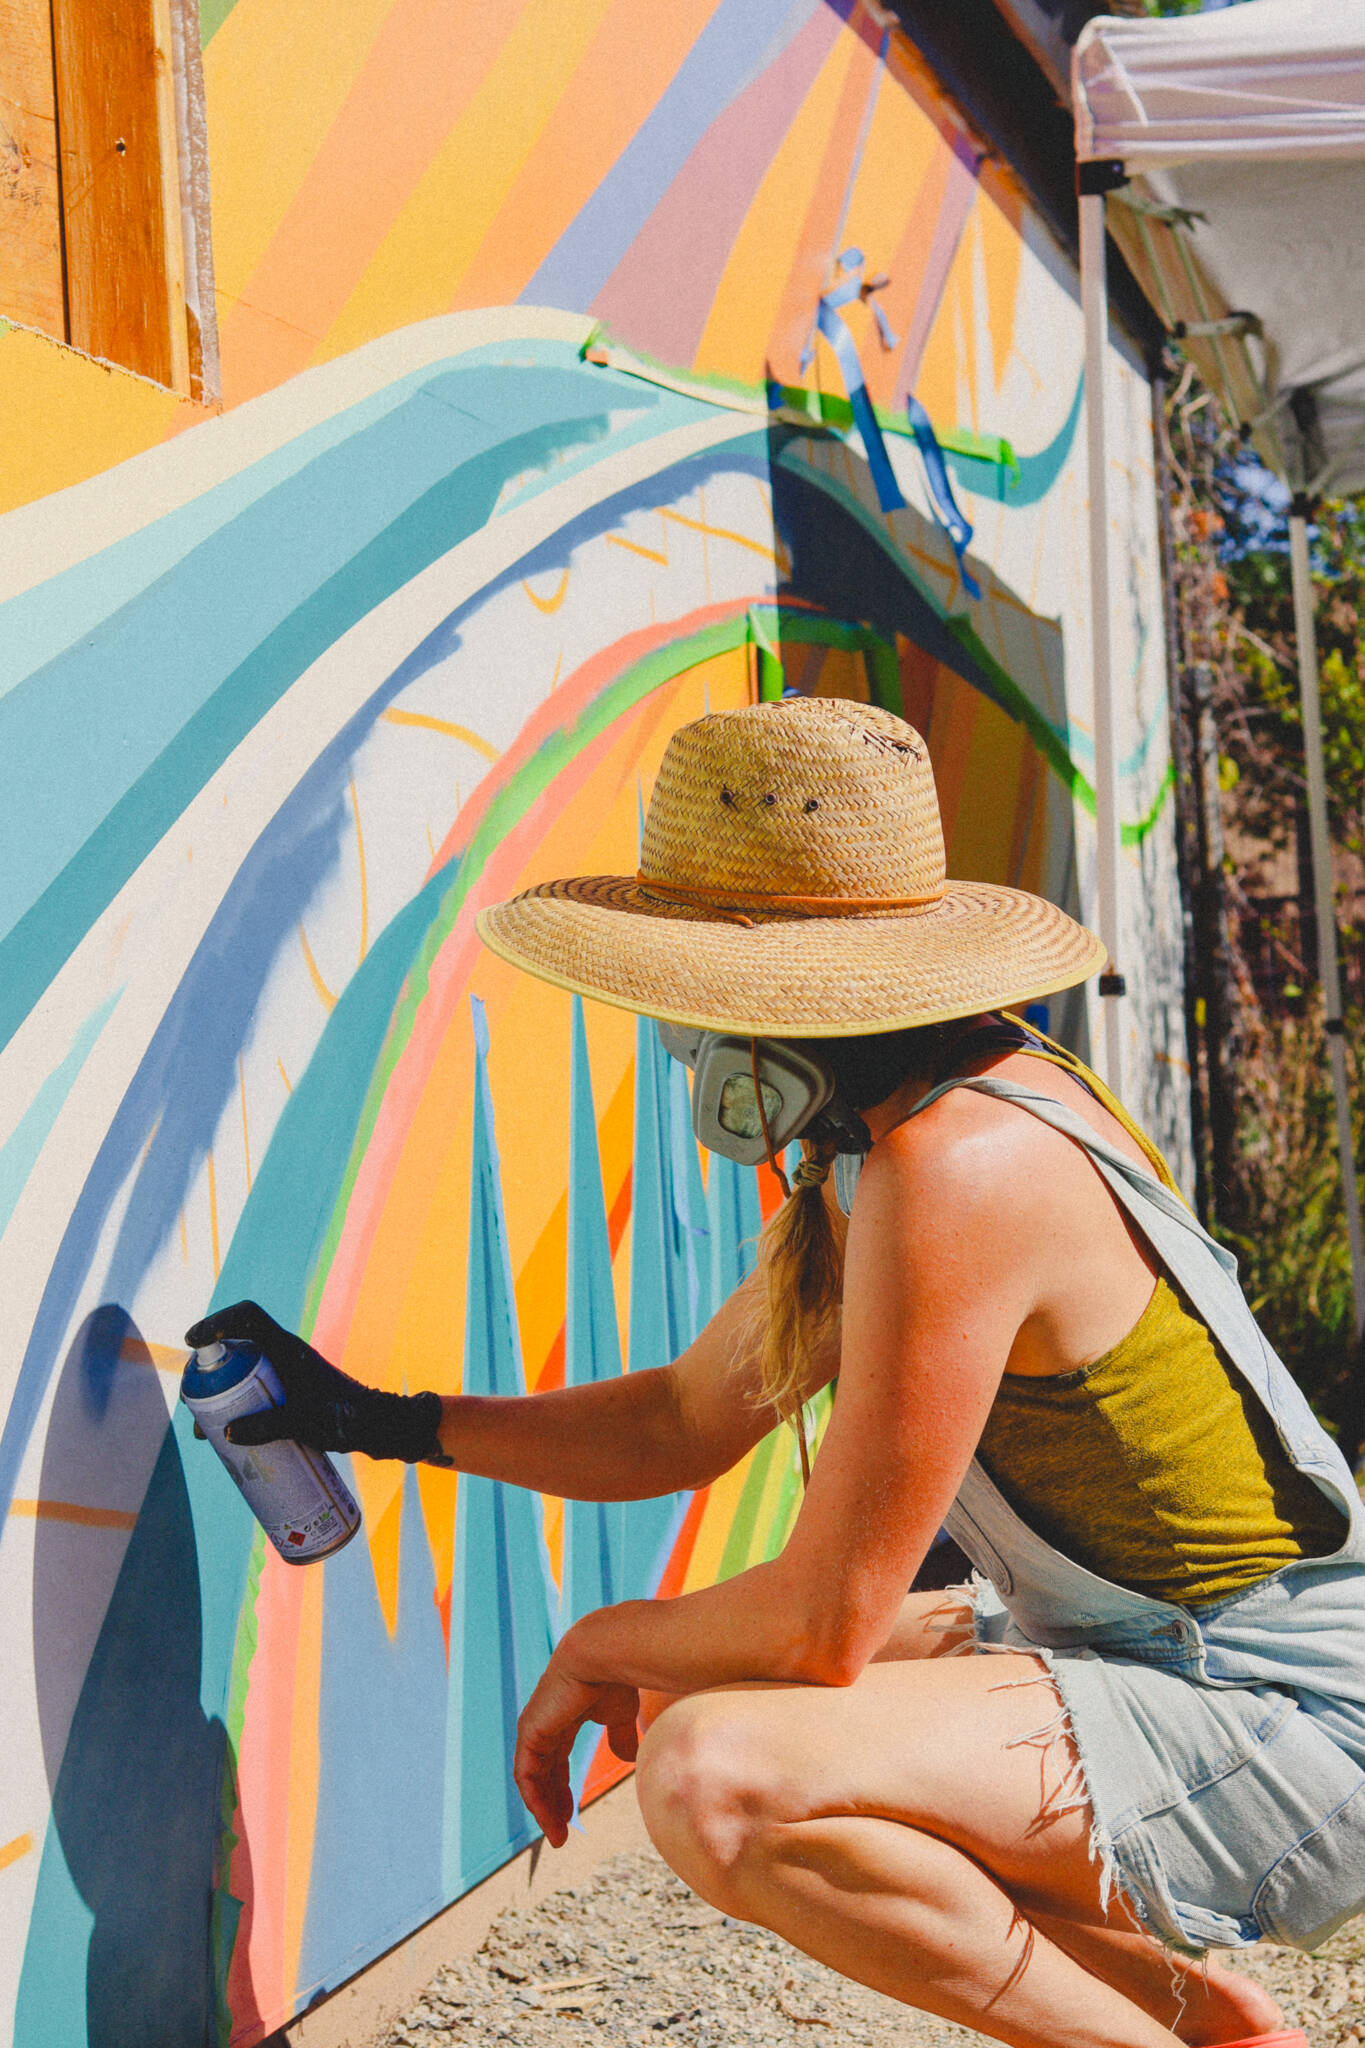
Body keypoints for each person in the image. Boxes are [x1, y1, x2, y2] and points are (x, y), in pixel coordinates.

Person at [189, 699, 1365, 2048]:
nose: (672, 1034)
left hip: (1279, 1716)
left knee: (716, 1770)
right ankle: (1206, 2022)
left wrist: (594, 1644)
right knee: (714, 1694)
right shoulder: (901, 1134)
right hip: (1166, 1654)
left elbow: (824, 1620)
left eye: (676, 988)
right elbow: (679, 1420)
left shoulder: (955, 1166)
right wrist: (371, 1420)